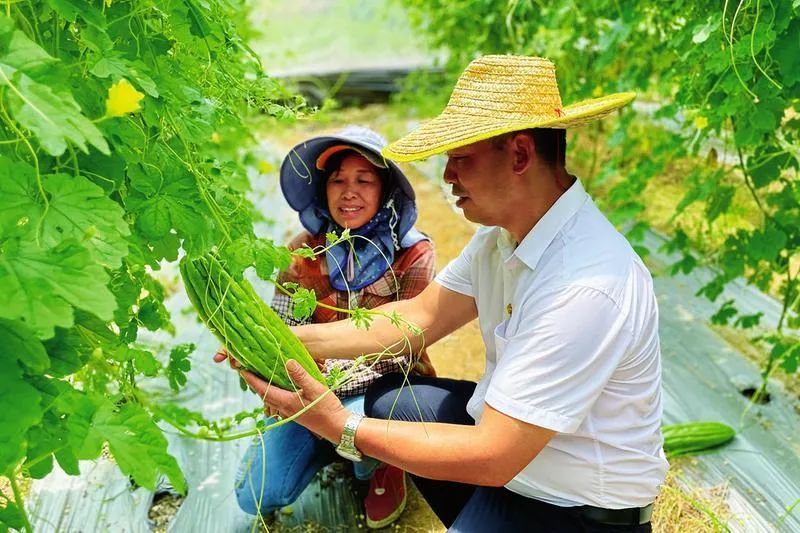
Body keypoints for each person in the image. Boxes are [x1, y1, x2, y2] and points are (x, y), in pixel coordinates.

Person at [230, 55, 669, 532]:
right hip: (519, 473)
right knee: (394, 404)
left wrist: (341, 426)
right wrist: (276, 343)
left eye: (460, 159)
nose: (448, 177)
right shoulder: (502, 239)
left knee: (380, 421)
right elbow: (418, 317)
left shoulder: (586, 284)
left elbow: (495, 455)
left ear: (520, 155)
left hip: (571, 511)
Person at [231, 125, 436, 529]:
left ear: (385, 191)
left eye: (364, 180)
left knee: (371, 419)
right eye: (338, 180)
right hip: (311, 392)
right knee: (256, 494)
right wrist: (278, 381)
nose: (349, 191)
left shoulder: (413, 253)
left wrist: (331, 390)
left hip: (382, 392)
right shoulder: (303, 252)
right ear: (323, 191)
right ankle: (334, 444)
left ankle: (378, 463)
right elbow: (283, 328)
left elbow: (401, 350)